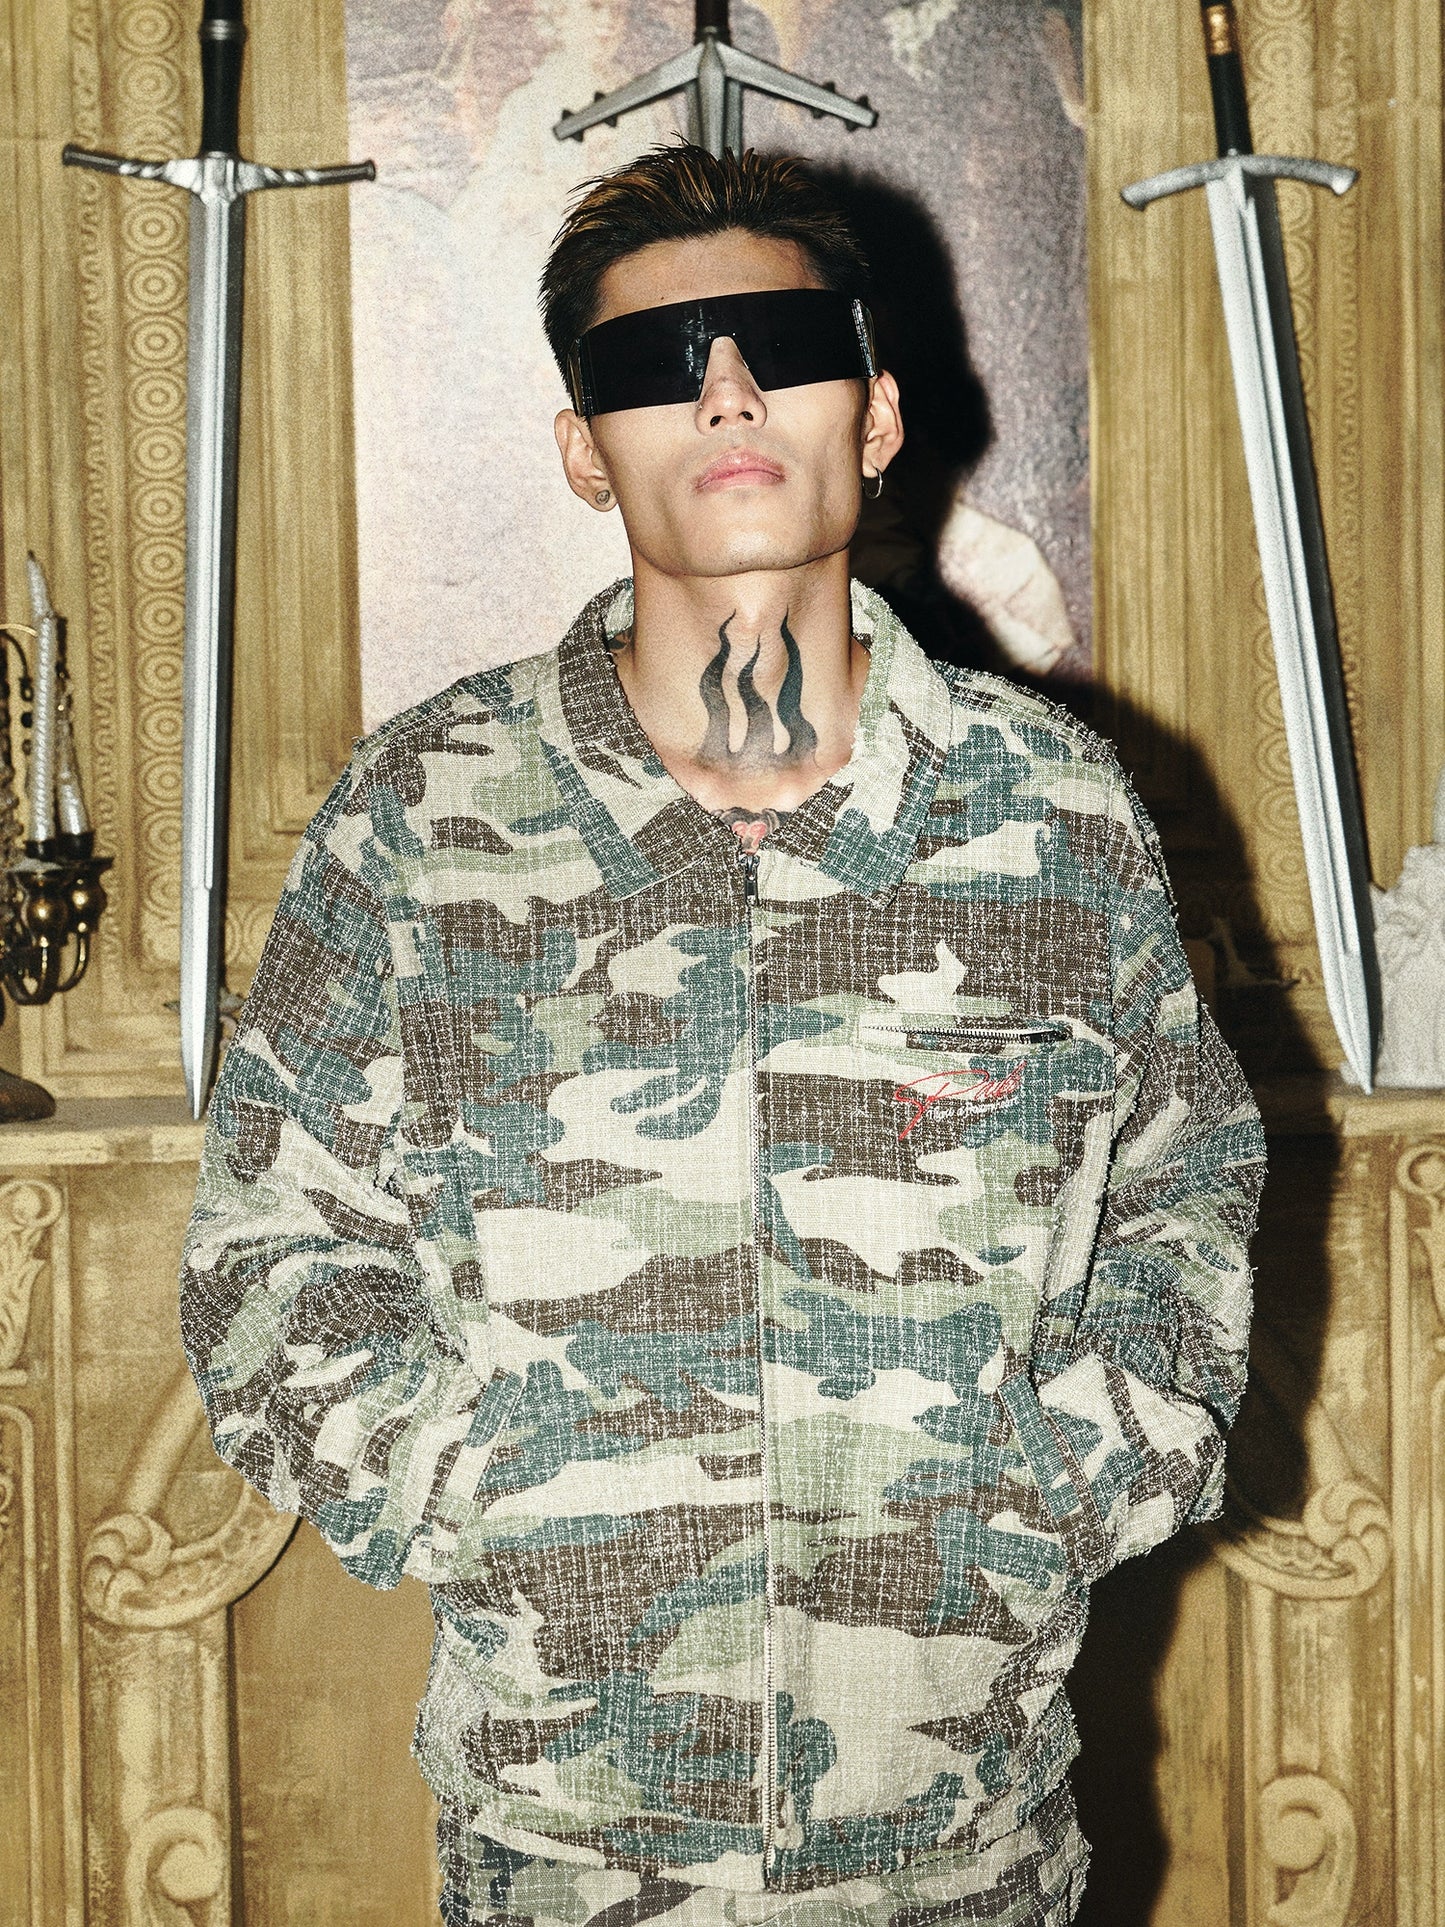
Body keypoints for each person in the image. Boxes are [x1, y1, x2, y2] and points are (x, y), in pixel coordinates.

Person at [181, 142, 1266, 1927]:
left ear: (878, 414)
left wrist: (1060, 1481)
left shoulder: (1054, 814)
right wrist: (487, 1501)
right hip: (567, 1852)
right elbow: (269, 1252)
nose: (728, 392)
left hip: (965, 1837)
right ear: (582, 449)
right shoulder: (422, 816)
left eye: (784, 344)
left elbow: (1187, 1187)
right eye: (654, 363)